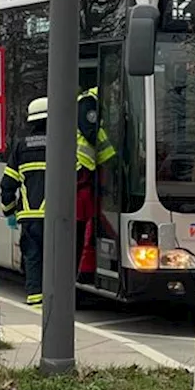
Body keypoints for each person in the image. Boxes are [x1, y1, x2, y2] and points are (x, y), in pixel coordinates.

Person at [0, 97, 49, 310]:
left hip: (30, 217)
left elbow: (7, 185)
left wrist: (9, 212)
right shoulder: (64, 143)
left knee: (33, 257)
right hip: (57, 217)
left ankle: (35, 299)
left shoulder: (21, 147)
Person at [75, 85, 116, 276]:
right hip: (83, 170)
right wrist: (114, 157)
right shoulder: (88, 103)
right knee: (84, 220)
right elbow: (92, 133)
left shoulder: (96, 103)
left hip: (90, 172)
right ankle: (82, 267)